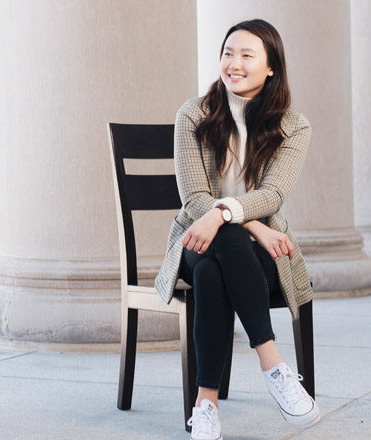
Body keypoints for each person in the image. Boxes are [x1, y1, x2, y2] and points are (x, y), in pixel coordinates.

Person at [153, 19, 320, 440]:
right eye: (228, 53)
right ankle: (274, 365)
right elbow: (194, 199)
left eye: (247, 55)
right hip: (196, 237)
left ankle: (204, 404)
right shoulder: (193, 113)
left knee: (214, 271)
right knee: (217, 245)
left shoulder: (293, 126)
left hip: (253, 254)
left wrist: (227, 215)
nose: (234, 63)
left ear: (270, 68)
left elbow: (274, 194)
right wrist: (251, 226)